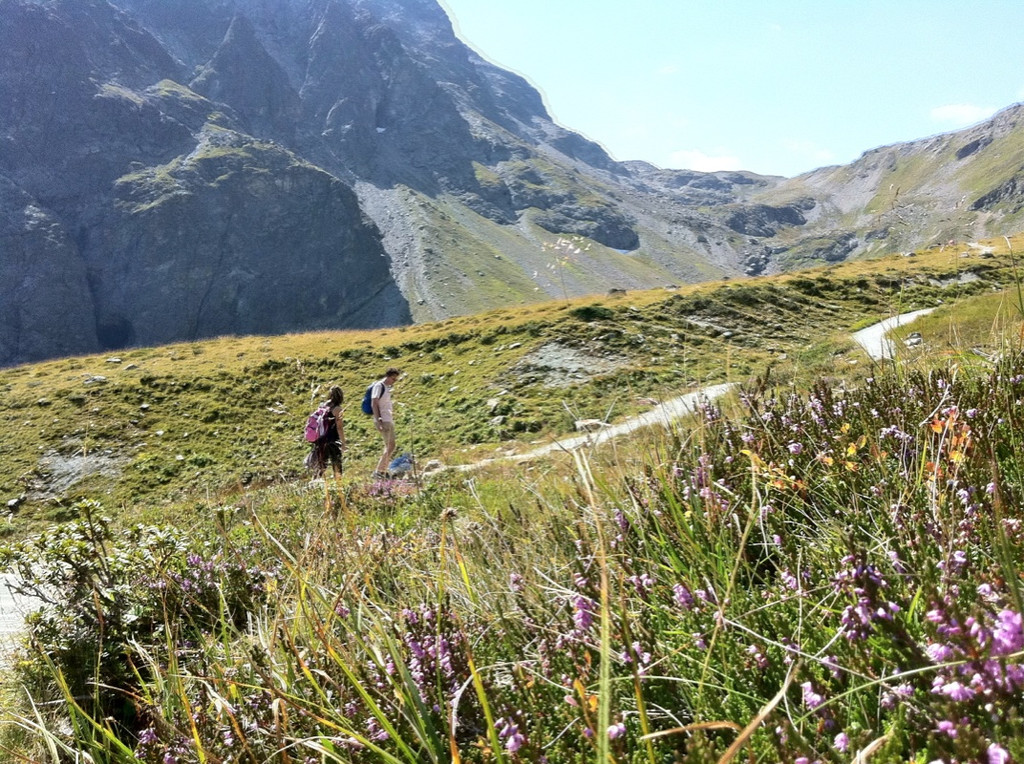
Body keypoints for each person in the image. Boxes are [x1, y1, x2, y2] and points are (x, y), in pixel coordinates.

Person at [370, 368, 401, 479]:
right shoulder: (379, 386)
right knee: (390, 445)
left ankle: (381, 471)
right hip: (383, 419)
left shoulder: (385, 387)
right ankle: (379, 471)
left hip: (387, 418)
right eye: (393, 379)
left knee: (390, 445)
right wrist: (378, 420)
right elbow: (374, 403)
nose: (394, 381)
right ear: (387, 376)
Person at [310, 386, 346, 479]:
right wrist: (343, 442)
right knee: (337, 464)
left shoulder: (323, 406)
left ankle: (314, 482)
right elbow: (339, 428)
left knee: (321, 466)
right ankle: (339, 484)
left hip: (321, 439)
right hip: (332, 440)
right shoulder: (337, 409)